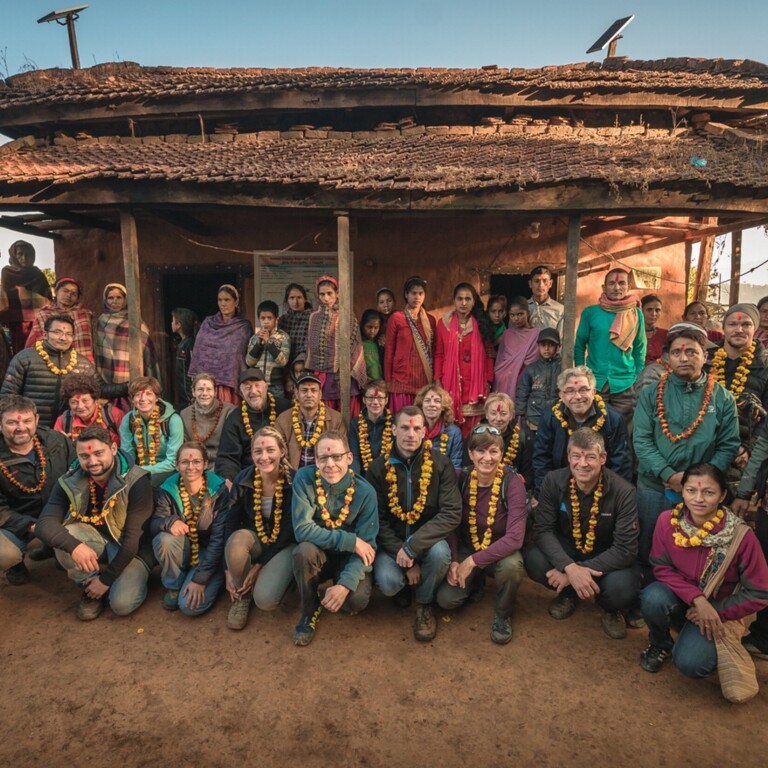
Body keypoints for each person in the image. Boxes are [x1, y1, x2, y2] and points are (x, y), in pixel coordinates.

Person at [639, 463, 768, 686]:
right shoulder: (668, 521)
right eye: (691, 491)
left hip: (718, 610)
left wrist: (716, 610)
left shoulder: (741, 537)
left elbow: (760, 591)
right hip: (683, 599)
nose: (698, 499)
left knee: (691, 664)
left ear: (722, 495)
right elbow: (660, 567)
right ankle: (660, 643)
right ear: (682, 492)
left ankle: (696, 641)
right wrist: (697, 599)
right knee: (652, 597)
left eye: (708, 492)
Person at [634, 323, 740, 576]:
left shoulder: (723, 398)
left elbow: (728, 445)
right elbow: (641, 440)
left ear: (705, 356)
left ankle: (687, 600)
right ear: (667, 357)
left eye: (692, 351)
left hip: (701, 492)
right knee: (648, 544)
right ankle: (647, 599)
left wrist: (696, 484)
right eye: (677, 352)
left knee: (695, 548)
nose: (684, 357)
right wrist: (669, 475)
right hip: (654, 487)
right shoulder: (651, 394)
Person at [525, 428, 640, 640]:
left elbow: (626, 548)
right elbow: (543, 530)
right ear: (569, 457)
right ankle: (569, 594)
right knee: (534, 558)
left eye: (590, 457)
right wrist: (569, 567)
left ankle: (609, 609)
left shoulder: (624, 491)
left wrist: (579, 572)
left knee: (623, 587)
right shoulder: (553, 480)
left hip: (605, 557)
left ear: (603, 458)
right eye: (576, 456)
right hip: (568, 550)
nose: (583, 464)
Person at [36, 425, 153, 620]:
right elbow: (44, 523)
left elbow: (134, 540)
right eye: (85, 456)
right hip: (98, 541)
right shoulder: (69, 479)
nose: (93, 461)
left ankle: (125, 579)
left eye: (99, 453)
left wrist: (106, 580)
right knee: (64, 538)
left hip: (133, 548)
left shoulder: (137, 480)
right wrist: (74, 547)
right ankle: (89, 586)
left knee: (122, 605)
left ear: (113, 449)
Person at [367, 406, 462, 642]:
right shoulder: (378, 468)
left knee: (441, 554)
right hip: (392, 546)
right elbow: (375, 520)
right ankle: (402, 587)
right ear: (393, 430)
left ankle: (424, 603)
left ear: (424, 432)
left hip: (426, 543)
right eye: (405, 428)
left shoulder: (441, 465)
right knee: (389, 583)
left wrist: (413, 547)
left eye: (417, 428)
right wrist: (402, 553)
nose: (411, 434)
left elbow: (451, 512)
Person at [437, 425, 527, 644]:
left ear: (502, 454)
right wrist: (455, 559)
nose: (487, 458)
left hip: (501, 550)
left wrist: (473, 561)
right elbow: (451, 522)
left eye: (493, 451)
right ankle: (476, 582)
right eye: (481, 451)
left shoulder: (513, 483)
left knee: (513, 567)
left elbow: (515, 538)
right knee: (445, 601)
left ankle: (503, 613)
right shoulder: (461, 478)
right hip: (468, 546)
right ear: (470, 453)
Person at [291, 430, 379, 646]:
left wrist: (345, 585)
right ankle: (309, 609)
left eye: (337, 457)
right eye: (323, 458)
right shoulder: (304, 478)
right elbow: (302, 529)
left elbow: (368, 548)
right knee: (303, 551)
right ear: (316, 459)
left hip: (347, 558)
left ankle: (338, 587)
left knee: (355, 602)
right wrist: (351, 541)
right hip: (317, 555)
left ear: (349, 458)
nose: (330, 464)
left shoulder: (366, 492)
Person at [223, 426, 296, 631]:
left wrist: (259, 566)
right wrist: (227, 568)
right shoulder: (243, 479)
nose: (264, 457)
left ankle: (284, 582)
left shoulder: (295, 480)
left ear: (282, 451)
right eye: (258, 451)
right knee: (236, 542)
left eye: (270, 450)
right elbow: (230, 522)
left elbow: (289, 531)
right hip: (256, 539)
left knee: (265, 600)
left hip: (284, 545)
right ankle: (241, 597)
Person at [0, 395, 74, 585]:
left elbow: (78, 474)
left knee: (74, 554)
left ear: (37, 420)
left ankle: (52, 548)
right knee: (4, 553)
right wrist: (33, 527)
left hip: (61, 514)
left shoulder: (56, 441)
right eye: (11, 422)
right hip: (18, 519)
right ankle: (14, 565)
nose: (20, 427)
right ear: (0, 424)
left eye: (27, 421)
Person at [150, 441, 228, 614]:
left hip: (210, 553)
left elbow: (219, 538)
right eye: (185, 462)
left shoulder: (219, 490)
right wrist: (170, 522)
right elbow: (154, 523)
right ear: (177, 465)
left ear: (206, 464)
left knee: (189, 607)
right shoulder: (168, 488)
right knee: (164, 539)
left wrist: (200, 579)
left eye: (196, 462)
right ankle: (175, 585)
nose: (190, 467)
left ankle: (214, 577)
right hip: (184, 549)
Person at [532, 366, 631, 497]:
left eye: (583, 389)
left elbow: (621, 464)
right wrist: (543, 495)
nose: (577, 396)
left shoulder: (613, 419)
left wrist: (611, 499)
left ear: (594, 392)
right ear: (561, 395)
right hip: (559, 491)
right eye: (570, 391)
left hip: (602, 491)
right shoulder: (550, 417)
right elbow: (541, 459)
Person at [2, 313, 98, 427]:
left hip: (66, 428)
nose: (63, 338)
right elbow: (7, 396)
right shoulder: (24, 358)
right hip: (30, 428)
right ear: (45, 334)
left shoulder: (83, 363)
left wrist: (123, 387)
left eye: (69, 334)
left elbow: (100, 389)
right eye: (57, 332)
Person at [574, 268, 646, 422]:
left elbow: (640, 348)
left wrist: (635, 376)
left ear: (628, 287)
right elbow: (580, 344)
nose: (617, 287)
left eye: (621, 283)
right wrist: (582, 373)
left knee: (623, 429)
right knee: (593, 427)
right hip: (595, 382)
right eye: (612, 283)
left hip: (625, 383)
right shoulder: (590, 313)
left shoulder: (636, 313)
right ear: (604, 287)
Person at [706, 303, 768, 474]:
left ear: (755, 328)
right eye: (732, 324)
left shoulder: (764, 366)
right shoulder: (705, 360)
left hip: (745, 456)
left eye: (746, 324)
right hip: (704, 448)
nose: (739, 329)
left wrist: (749, 448)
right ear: (724, 328)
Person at [435, 282, 494, 437]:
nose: (463, 303)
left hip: (475, 386)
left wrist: (488, 380)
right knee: (450, 431)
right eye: (459, 298)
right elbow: (439, 354)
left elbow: (488, 354)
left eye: (468, 299)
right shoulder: (443, 323)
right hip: (450, 383)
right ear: (454, 301)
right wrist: (438, 379)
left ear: (474, 301)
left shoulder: (481, 323)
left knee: (473, 433)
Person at [215, 369, 291, 482]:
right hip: (249, 478)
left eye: (257, 385)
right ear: (241, 391)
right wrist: (229, 479)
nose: (253, 391)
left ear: (266, 386)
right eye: (247, 387)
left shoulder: (285, 408)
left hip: (284, 474)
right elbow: (228, 457)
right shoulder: (235, 418)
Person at [306, 275, 367, 413]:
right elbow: (311, 349)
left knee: (348, 415)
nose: (326, 298)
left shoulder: (347, 315)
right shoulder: (314, 318)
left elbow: (355, 344)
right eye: (322, 294)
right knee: (325, 416)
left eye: (329, 294)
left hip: (344, 375)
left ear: (337, 294)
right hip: (323, 377)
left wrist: (346, 367)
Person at [188, 284, 252, 405]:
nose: (223, 303)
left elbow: (242, 356)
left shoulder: (243, 327)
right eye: (220, 300)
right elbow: (199, 350)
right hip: (207, 386)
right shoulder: (208, 323)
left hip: (231, 385)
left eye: (227, 300)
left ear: (236, 302)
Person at [94, 282, 160, 397]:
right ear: (105, 300)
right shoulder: (99, 322)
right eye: (110, 298)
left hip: (127, 372)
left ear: (125, 299)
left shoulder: (135, 321)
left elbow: (146, 348)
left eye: (119, 297)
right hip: (104, 373)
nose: (115, 301)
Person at [118, 376, 184, 487]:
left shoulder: (173, 420)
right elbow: (127, 454)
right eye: (137, 395)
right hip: (137, 471)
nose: (143, 399)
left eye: (149, 394)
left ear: (157, 398)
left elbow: (173, 461)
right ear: (132, 399)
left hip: (167, 470)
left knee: (144, 484)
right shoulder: (128, 420)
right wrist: (130, 471)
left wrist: (140, 470)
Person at [384, 276, 436, 413]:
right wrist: (388, 381)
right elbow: (389, 350)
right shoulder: (396, 318)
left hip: (424, 380)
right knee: (402, 421)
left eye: (421, 293)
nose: (417, 297)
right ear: (406, 295)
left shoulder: (430, 321)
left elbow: (434, 351)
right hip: (401, 380)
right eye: (413, 293)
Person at [275, 372, 344, 470]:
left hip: (325, 474)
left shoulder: (336, 419)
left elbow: (340, 453)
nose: (309, 395)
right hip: (292, 476)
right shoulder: (283, 419)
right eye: (304, 390)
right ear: (296, 394)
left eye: (313, 390)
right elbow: (278, 453)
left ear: (320, 394)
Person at [0, 240, 52, 355]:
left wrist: (21, 292)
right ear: (14, 255)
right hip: (17, 321)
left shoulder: (38, 274)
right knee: (21, 351)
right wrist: (22, 293)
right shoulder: (7, 272)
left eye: (28, 254)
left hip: (39, 320)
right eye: (20, 254)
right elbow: (5, 295)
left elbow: (47, 298)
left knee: (40, 351)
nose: (24, 257)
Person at [25, 277, 95, 362]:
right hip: (51, 363)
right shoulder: (44, 314)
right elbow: (37, 341)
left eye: (74, 294)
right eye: (65, 291)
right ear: (56, 292)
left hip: (83, 363)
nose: (69, 295)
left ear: (77, 298)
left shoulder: (85, 315)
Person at [472, 392, 533, 488]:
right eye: (493, 413)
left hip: (510, 487)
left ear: (511, 415)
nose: (498, 418)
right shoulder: (475, 435)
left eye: (503, 414)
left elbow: (527, 475)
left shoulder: (522, 437)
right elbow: (467, 469)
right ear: (486, 415)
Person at [179, 373, 235, 471]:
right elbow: (186, 448)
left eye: (209, 389)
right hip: (194, 465)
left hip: (222, 464)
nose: (204, 393)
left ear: (215, 392)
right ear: (193, 392)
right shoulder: (185, 414)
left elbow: (231, 449)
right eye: (200, 389)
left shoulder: (229, 411)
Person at [53, 373, 123, 446]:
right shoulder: (63, 421)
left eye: (85, 401)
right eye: (74, 402)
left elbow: (126, 447)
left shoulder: (113, 415)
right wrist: (62, 445)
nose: (80, 406)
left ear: (95, 400)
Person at [515, 327, 562, 434]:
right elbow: (522, 391)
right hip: (534, 418)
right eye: (543, 345)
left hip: (557, 417)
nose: (546, 349)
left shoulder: (563, 368)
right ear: (538, 346)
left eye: (551, 345)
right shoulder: (531, 369)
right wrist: (521, 414)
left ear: (558, 347)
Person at [494, 296, 541, 401]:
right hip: (504, 383)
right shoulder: (507, 334)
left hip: (526, 382)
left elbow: (536, 362)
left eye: (520, 314)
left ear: (527, 313)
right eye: (512, 315)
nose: (516, 318)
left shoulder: (537, 334)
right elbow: (500, 363)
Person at [245, 300, 291, 397]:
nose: (266, 321)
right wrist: (259, 344)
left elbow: (283, 361)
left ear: (276, 319)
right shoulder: (255, 338)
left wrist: (268, 342)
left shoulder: (283, 337)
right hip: (258, 384)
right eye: (263, 318)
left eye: (269, 318)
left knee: (276, 410)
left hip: (276, 386)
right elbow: (249, 362)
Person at [414, 383, 463, 469]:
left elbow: (456, 465)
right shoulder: (414, 430)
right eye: (427, 400)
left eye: (437, 401)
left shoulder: (454, 432)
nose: (432, 404)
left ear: (443, 407)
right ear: (421, 405)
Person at [349, 379, 392, 477]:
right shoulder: (355, 424)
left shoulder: (394, 423)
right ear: (364, 400)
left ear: (386, 400)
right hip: (363, 476)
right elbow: (354, 457)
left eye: (380, 398)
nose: (375, 402)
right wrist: (356, 481)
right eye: (371, 398)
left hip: (388, 477)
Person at [278, 283, 311, 366]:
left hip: (305, 363)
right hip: (285, 362)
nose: (295, 301)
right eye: (292, 298)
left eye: (299, 297)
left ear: (305, 299)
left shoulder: (312, 318)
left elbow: (310, 344)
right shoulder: (283, 320)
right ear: (287, 300)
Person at [171, 307, 197, 410]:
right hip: (184, 397)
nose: (171, 323)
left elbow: (192, 373)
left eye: (172, 320)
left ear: (178, 325)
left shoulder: (190, 344)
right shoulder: (183, 343)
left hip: (189, 399)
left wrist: (191, 398)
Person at [527, 265, 563, 335]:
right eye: (536, 281)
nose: (541, 285)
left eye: (545, 281)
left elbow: (561, 340)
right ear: (530, 284)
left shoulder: (560, 310)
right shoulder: (522, 308)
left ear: (550, 283)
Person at [642, 293, 668, 366]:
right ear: (641, 310)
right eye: (649, 310)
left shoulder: (665, 335)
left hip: (659, 374)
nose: (653, 314)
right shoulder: (632, 333)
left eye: (657, 310)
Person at [360, 309, 384, 381]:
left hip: (379, 382)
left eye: (376, 328)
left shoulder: (379, 343)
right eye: (369, 327)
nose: (372, 331)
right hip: (365, 384)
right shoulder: (359, 343)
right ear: (362, 325)